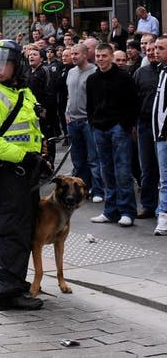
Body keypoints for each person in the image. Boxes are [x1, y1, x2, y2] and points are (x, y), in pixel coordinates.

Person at [0, 39, 48, 310]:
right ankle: (7, 292)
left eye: (2, 62)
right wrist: (24, 157)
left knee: (24, 229)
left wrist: (40, 158)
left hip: (25, 172)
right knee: (13, 230)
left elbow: (29, 130)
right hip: (9, 172)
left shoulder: (23, 92)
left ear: (17, 65)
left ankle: (17, 284)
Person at [87, 44, 139, 226]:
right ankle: (110, 211)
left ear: (111, 57)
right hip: (99, 129)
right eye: (98, 56)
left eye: (104, 56)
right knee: (106, 171)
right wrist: (93, 123)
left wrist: (125, 124)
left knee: (123, 170)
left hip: (119, 128)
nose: (100, 59)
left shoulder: (124, 78)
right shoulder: (92, 79)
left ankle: (127, 211)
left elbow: (133, 103)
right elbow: (90, 105)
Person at [65, 44, 104, 202]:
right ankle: (81, 190)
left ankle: (98, 190)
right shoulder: (70, 72)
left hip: (88, 121)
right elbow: (69, 95)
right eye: (72, 54)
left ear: (86, 54)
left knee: (93, 158)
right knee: (78, 159)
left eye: (76, 54)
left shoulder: (95, 71)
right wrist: (67, 112)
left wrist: (93, 117)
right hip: (72, 121)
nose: (73, 56)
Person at [134, 40, 159, 219]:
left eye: (155, 49)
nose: (151, 52)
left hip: (163, 126)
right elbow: (133, 100)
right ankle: (148, 205)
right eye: (148, 50)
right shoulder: (140, 73)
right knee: (147, 167)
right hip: (144, 125)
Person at [152, 36, 167, 236]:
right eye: (155, 47)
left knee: (165, 179)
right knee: (163, 178)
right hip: (159, 134)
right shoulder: (161, 71)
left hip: (164, 134)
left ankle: (163, 215)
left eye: (161, 48)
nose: (156, 51)